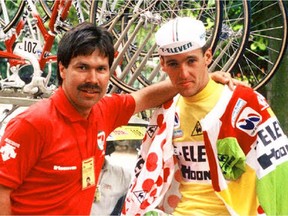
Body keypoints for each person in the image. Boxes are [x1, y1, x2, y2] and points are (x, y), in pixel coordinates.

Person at [0, 22, 233, 214]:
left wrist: (201, 77)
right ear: (62, 69)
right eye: (82, 67)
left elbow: (144, 97)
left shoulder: (102, 110)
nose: (93, 78)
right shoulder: (33, 123)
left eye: (101, 69)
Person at [123, 17, 288, 215]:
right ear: (163, 64)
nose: (183, 73)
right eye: (174, 64)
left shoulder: (242, 102)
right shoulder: (167, 111)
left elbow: (279, 171)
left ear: (207, 56)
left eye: (191, 61)